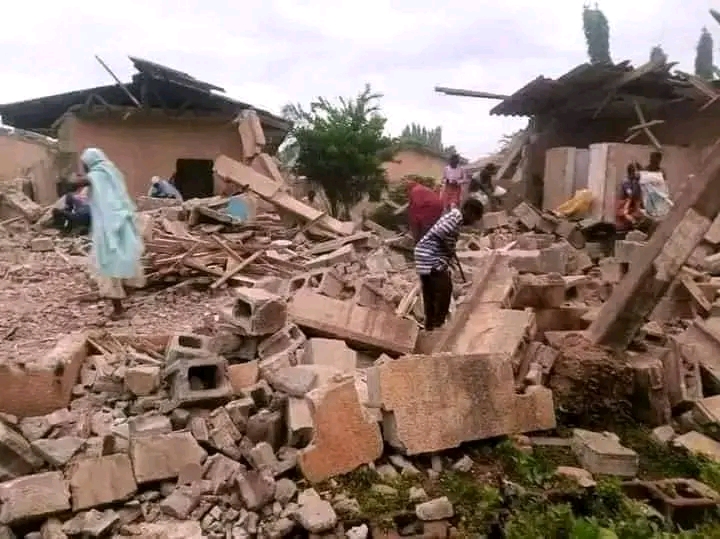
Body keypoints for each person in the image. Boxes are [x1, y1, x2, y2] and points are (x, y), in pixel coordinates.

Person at [74, 148, 145, 319]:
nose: (84, 167)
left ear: (89, 162)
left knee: (108, 264)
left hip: (108, 226)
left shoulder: (97, 174)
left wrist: (72, 178)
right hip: (122, 220)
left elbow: (76, 183)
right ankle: (127, 293)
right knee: (125, 258)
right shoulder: (112, 171)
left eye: (84, 164)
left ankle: (118, 309)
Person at [414, 196, 485, 331]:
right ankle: (438, 324)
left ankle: (430, 327)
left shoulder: (455, 219)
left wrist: (449, 253)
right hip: (429, 255)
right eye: (474, 219)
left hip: (426, 254)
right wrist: (449, 249)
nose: (472, 223)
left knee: (431, 291)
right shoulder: (455, 217)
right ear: (468, 211)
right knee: (445, 288)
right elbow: (439, 233)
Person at [615, 162, 645, 233]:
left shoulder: (636, 181)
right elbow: (631, 195)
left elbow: (639, 196)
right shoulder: (626, 182)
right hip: (625, 205)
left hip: (633, 204)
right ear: (631, 172)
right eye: (637, 172)